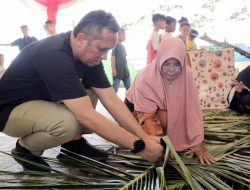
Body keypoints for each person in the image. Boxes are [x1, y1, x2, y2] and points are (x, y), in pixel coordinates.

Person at [0, 10, 164, 172]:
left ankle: (73, 144)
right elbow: (86, 116)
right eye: (102, 49)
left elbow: (112, 100)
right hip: (9, 111)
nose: (105, 56)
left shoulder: (89, 57)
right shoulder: (54, 53)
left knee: (91, 92)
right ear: (81, 38)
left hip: (39, 105)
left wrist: (144, 137)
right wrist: (139, 146)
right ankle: (26, 149)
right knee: (68, 122)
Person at [125, 37, 215, 165]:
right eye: (167, 64)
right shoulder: (145, 77)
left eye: (176, 64)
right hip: (136, 111)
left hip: (164, 110)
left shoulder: (186, 73)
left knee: (171, 114)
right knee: (164, 117)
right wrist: (161, 147)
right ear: (160, 58)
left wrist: (198, 141)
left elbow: (192, 109)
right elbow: (147, 116)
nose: (171, 69)